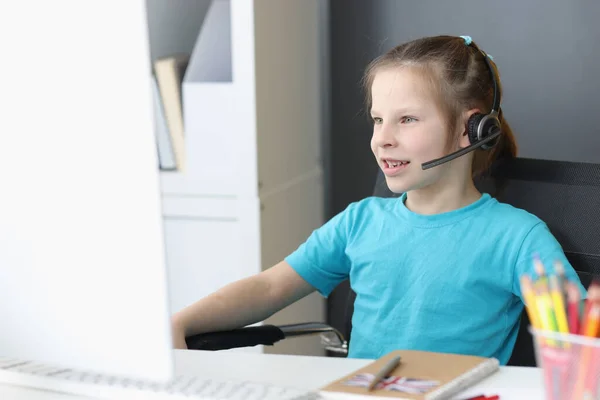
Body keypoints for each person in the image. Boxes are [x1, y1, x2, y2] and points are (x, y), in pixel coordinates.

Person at [170, 35, 585, 365]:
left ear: (471, 130)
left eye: (407, 119)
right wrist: (178, 323)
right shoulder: (360, 223)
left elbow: (579, 336)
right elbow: (269, 287)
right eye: (377, 119)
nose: (383, 137)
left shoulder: (516, 238)